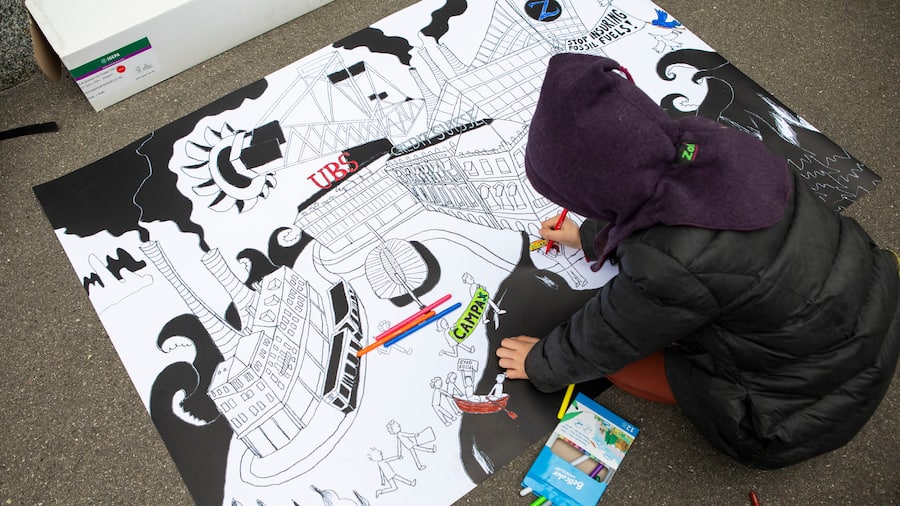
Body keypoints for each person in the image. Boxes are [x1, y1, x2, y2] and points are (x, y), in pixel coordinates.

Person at [496, 53, 900, 469]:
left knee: (619, 366)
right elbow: (649, 193)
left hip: (794, 410)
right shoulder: (711, 143)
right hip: (876, 308)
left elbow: (609, 335)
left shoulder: (668, 263)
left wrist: (541, 362)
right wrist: (588, 235)